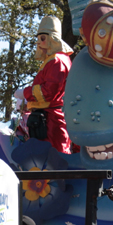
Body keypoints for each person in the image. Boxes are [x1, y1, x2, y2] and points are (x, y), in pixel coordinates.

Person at [14, 15, 74, 154]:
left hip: (52, 120)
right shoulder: (53, 60)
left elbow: (49, 92)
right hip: (46, 119)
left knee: (55, 159)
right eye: (38, 39)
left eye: (42, 39)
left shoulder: (56, 61)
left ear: (52, 38)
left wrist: (25, 93)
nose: (39, 43)